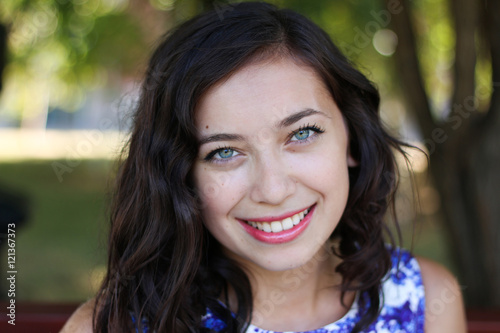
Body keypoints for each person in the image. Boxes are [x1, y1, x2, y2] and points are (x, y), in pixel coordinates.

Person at [61, 2, 466, 332]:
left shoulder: (427, 302)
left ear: (352, 139)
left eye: (302, 133)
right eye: (223, 152)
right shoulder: (109, 327)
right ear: (180, 176)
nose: (273, 190)